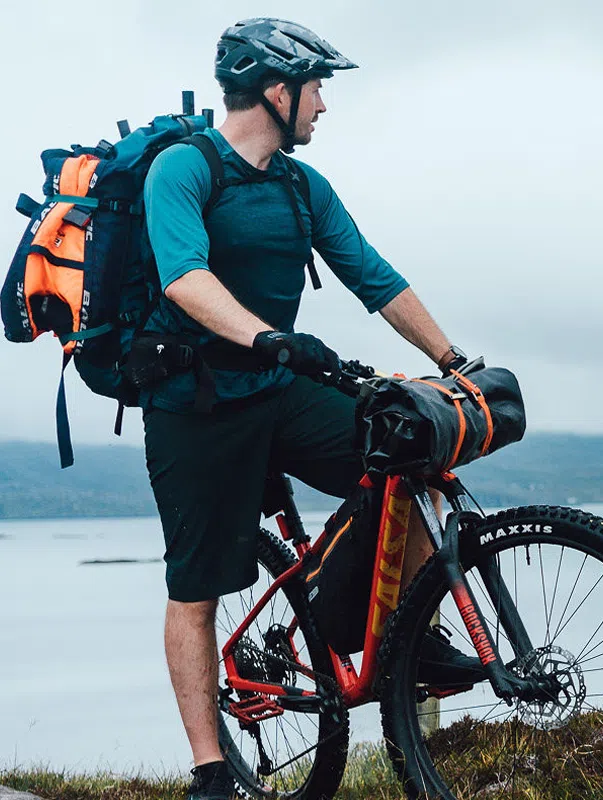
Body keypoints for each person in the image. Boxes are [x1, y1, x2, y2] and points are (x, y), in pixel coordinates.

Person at [137, 18, 480, 800]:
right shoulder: (181, 171)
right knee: (197, 586)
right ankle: (211, 770)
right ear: (274, 91)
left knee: (413, 450)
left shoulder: (300, 187)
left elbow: (374, 276)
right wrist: (269, 339)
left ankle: (408, 637)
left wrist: (451, 360)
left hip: (278, 385)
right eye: (317, 88)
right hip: (194, 404)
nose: (324, 105)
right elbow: (184, 280)